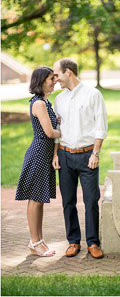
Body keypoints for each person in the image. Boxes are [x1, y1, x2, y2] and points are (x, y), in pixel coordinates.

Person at [52, 58, 108, 259]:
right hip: (65, 156)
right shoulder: (59, 99)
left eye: (57, 74)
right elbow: (57, 130)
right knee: (68, 201)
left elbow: (101, 126)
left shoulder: (93, 94)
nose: (55, 78)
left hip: (87, 156)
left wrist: (96, 153)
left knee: (91, 200)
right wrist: (55, 155)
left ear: (68, 72)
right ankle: (73, 241)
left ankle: (93, 242)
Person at [15, 66, 61, 257]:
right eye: (51, 78)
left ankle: (38, 242)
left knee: (39, 199)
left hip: (45, 154)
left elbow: (52, 131)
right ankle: (35, 243)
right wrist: (68, 131)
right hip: (38, 154)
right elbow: (50, 133)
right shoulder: (39, 104)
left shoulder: (45, 102)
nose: (55, 81)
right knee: (35, 200)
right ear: (42, 81)